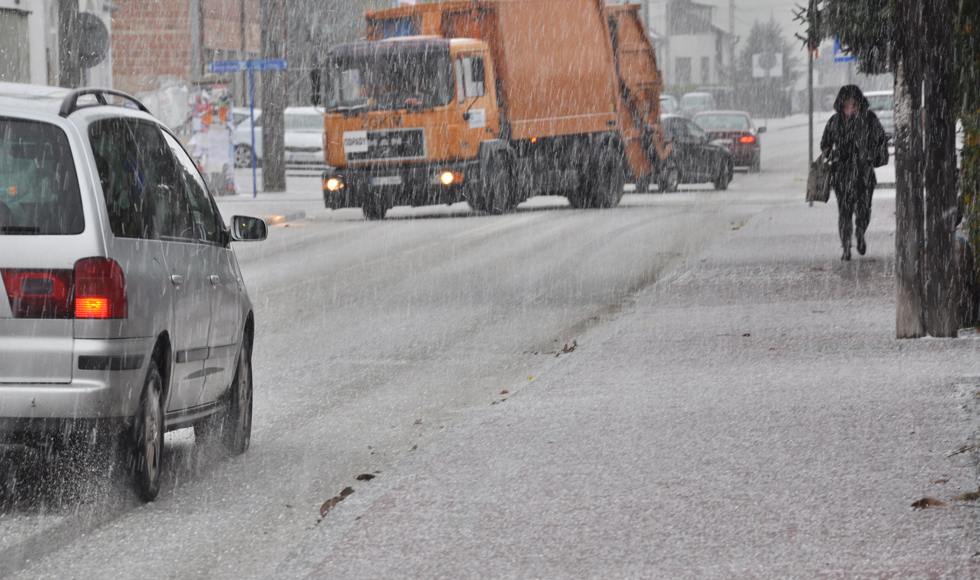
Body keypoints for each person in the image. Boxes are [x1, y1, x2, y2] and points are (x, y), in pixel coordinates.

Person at [820, 85, 889, 261]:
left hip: (863, 174)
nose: (849, 104)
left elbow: (881, 140)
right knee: (844, 213)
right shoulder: (835, 121)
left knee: (864, 210)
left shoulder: (869, 119)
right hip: (842, 175)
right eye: (846, 100)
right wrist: (833, 155)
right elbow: (825, 144)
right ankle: (846, 247)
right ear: (841, 102)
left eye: (852, 100)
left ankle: (860, 233)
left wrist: (871, 156)